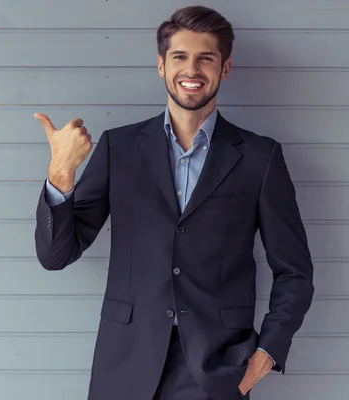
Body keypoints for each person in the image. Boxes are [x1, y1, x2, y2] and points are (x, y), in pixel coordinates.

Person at [32, 5, 314, 400]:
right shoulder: (120, 148)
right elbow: (56, 256)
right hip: (125, 363)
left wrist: (268, 350)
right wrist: (61, 174)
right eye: (180, 56)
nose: (192, 69)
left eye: (206, 58)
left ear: (225, 69)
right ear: (161, 66)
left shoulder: (259, 157)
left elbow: (295, 272)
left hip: (218, 369)